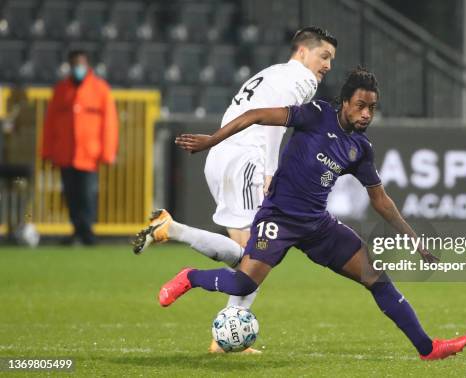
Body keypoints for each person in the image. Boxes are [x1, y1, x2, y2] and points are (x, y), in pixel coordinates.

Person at [168, 68, 466, 360]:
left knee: (376, 278)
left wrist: (414, 240)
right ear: (345, 103)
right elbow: (255, 115)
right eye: (361, 106)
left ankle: (428, 349)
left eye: (372, 108)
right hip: (278, 218)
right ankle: (191, 277)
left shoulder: (360, 148)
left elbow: (381, 201)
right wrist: (211, 141)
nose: (366, 113)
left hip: (317, 225)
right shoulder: (315, 114)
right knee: (244, 285)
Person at [132, 27, 337, 353]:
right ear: (301, 51)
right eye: (323, 56)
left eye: (331, 60)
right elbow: (273, 125)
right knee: (258, 257)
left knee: (246, 257)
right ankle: (186, 253)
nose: (326, 65)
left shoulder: (271, 74)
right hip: (246, 158)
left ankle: (223, 330)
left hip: (224, 156)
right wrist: (270, 172)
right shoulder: (303, 79)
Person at [42, 50, 118, 246]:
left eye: (81, 64)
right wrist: (47, 151)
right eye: (75, 64)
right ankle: (78, 230)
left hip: (89, 153)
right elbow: (50, 123)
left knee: (87, 194)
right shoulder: (61, 90)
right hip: (65, 153)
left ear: (88, 65)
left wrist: (108, 152)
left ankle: (86, 232)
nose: (78, 68)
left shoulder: (100, 89)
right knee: (70, 194)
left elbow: (109, 124)